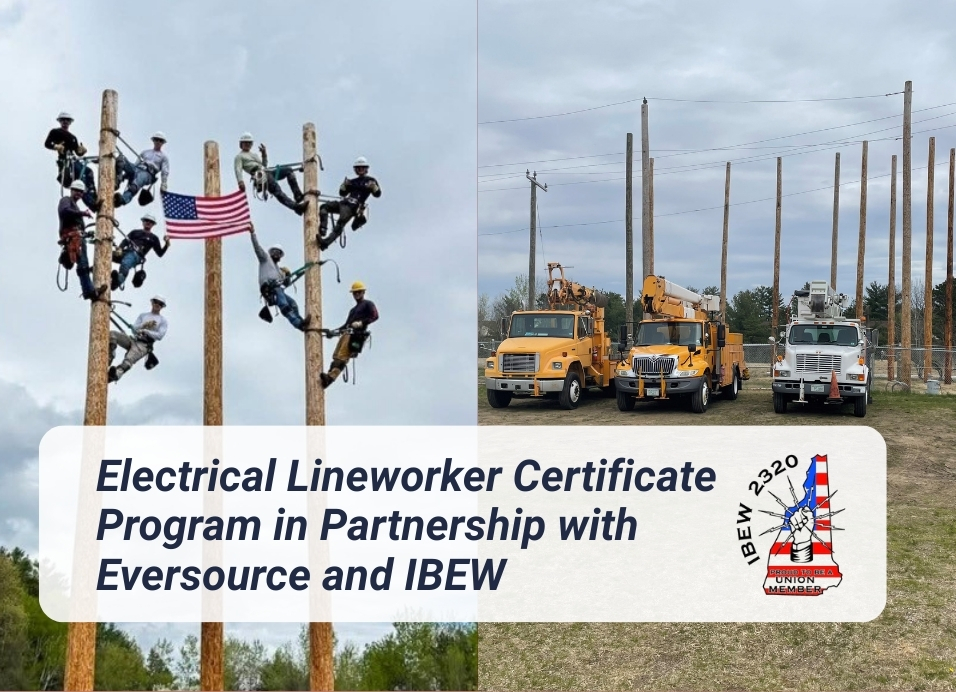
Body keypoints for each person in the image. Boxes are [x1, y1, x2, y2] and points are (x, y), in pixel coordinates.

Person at [249, 223, 311, 331]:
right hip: (270, 288)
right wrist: (253, 233)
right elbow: (257, 248)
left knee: (293, 304)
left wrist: (288, 276)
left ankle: (302, 322)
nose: (276, 254)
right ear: (270, 252)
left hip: (277, 289)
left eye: (278, 253)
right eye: (274, 252)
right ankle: (298, 324)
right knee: (284, 304)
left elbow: (285, 284)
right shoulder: (265, 259)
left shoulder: (279, 270)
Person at [319, 281, 379, 388]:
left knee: (342, 357)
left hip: (356, 335)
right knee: (336, 356)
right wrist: (333, 333)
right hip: (347, 333)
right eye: (355, 293)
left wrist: (361, 323)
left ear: (363, 292)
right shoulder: (353, 310)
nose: (357, 294)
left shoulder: (368, 304)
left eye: (359, 292)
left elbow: (375, 316)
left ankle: (330, 378)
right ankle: (328, 376)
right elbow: (346, 325)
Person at [317, 156, 382, 251]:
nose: (360, 169)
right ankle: (323, 228)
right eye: (358, 168)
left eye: (362, 167)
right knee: (324, 207)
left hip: (354, 206)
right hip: (344, 202)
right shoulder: (352, 182)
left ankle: (325, 243)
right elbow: (342, 193)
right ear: (355, 169)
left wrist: (374, 187)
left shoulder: (370, 181)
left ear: (366, 169)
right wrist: (344, 185)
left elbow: (377, 194)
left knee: (340, 222)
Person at [235, 133, 308, 214]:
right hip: (260, 176)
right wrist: (240, 181)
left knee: (289, 170)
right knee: (278, 191)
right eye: (245, 142)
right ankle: (296, 207)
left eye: (249, 143)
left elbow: (264, 165)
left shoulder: (254, 155)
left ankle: (297, 195)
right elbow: (238, 169)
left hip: (267, 172)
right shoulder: (239, 157)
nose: (247, 144)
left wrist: (264, 154)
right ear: (241, 144)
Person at [58, 180, 106, 301]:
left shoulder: (74, 205)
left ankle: (88, 289)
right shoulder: (66, 200)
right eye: (76, 191)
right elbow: (64, 212)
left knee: (83, 264)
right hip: (73, 236)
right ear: (71, 190)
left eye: (81, 192)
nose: (78, 194)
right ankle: (90, 292)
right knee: (83, 264)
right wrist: (82, 213)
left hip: (77, 236)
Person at [44, 111, 98, 209]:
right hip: (66, 162)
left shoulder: (73, 138)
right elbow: (47, 143)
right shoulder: (55, 132)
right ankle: (92, 204)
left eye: (67, 120)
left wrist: (81, 151)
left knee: (89, 172)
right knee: (82, 180)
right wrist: (56, 146)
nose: (65, 122)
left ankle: (94, 197)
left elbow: (77, 152)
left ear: (70, 122)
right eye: (63, 120)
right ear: (60, 121)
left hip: (74, 161)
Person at [109, 295, 168, 383]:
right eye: (156, 302)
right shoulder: (143, 316)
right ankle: (110, 356)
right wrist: (145, 325)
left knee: (129, 359)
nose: (158, 304)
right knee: (112, 334)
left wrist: (147, 331)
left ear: (162, 306)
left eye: (160, 304)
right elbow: (134, 329)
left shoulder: (162, 320)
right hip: (134, 340)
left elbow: (160, 336)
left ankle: (116, 374)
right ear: (152, 302)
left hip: (144, 345)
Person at [111, 213, 171, 290]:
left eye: (151, 222)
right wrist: (119, 248)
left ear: (153, 225)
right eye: (146, 220)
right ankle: (96, 268)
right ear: (143, 222)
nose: (148, 222)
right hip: (126, 252)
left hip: (136, 255)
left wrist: (166, 244)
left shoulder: (154, 238)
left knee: (126, 263)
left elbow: (160, 253)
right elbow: (125, 241)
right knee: (108, 255)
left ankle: (118, 281)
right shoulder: (135, 232)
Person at [115, 132, 170, 207]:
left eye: (160, 140)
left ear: (163, 143)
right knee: (121, 160)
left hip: (148, 174)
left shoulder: (164, 157)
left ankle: (123, 199)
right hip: (137, 168)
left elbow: (165, 172)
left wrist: (164, 184)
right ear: (153, 140)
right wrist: (125, 175)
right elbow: (135, 164)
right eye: (156, 140)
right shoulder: (145, 152)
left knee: (135, 184)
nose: (158, 142)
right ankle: (117, 181)